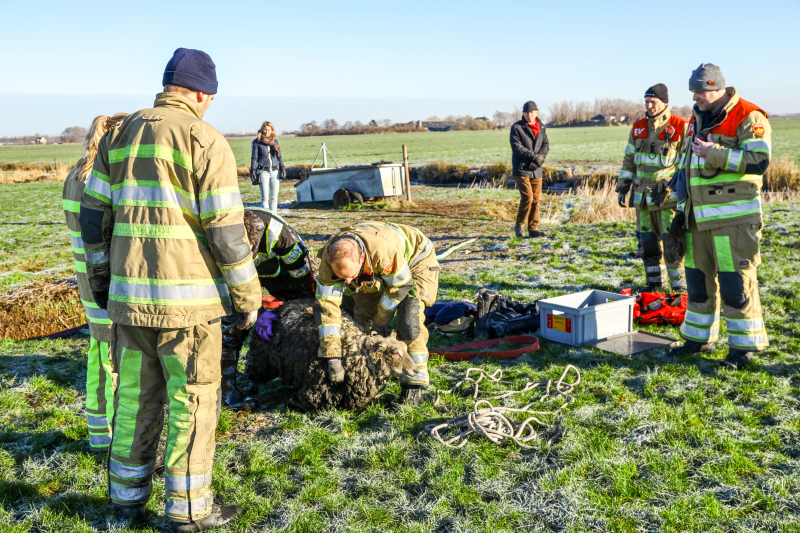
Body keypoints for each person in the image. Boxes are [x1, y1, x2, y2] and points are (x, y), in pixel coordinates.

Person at [80, 48, 262, 531]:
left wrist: (102, 284)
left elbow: (93, 218)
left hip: (128, 304)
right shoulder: (205, 139)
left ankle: (126, 499)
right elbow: (227, 233)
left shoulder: (118, 136)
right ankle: (186, 512)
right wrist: (248, 300)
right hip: (191, 312)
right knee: (193, 405)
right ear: (202, 94)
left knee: (134, 400)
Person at [667, 63, 771, 370]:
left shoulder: (749, 115)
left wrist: (715, 152)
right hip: (696, 219)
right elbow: (688, 166)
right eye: (693, 92)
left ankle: (744, 349)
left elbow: (759, 161)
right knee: (697, 282)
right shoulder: (694, 120)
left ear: (717, 89)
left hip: (733, 222)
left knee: (734, 283)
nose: (695, 97)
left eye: (699, 91)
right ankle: (699, 339)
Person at [314, 222, 439, 406]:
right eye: (342, 277)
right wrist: (332, 356)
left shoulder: (384, 252)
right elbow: (327, 309)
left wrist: (380, 323)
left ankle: (413, 384)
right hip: (377, 268)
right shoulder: (329, 259)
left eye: (350, 275)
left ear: (362, 257)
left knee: (410, 318)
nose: (347, 281)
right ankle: (367, 373)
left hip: (416, 259)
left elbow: (400, 287)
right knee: (360, 316)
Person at [62, 112, 127, 453]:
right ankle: (116, 440)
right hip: (104, 282)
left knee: (97, 357)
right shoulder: (101, 180)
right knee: (113, 365)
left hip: (86, 282)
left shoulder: (74, 175)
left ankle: (98, 434)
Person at [221, 207, 314, 410]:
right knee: (232, 326)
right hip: (234, 277)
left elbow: (303, 280)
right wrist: (258, 311)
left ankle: (300, 369)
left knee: (301, 316)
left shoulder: (281, 236)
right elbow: (227, 291)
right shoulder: (220, 234)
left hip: (278, 273)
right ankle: (227, 390)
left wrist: (301, 308)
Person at [616, 84, 688, 291]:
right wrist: (623, 187)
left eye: (653, 102)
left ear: (664, 103)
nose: (649, 106)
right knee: (648, 246)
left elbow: (686, 165)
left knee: (672, 246)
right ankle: (654, 288)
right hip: (642, 199)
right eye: (646, 102)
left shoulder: (680, 126)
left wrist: (674, 188)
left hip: (667, 199)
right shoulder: (638, 127)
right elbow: (629, 160)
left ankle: (680, 291)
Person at [510, 101, 550, 238]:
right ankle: (519, 226)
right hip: (521, 169)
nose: (529, 115)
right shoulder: (516, 127)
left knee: (536, 199)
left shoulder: (541, 127)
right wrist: (535, 158)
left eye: (532, 112)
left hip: (536, 169)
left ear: (537, 113)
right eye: (526, 113)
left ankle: (533, 229)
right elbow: (517, 148)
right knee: (528, 197)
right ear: (523, 113)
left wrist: (540, 159)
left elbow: (545, 145)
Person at [249, 121, 285, 212]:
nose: (266, 131)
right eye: (265, 129)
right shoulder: (256, 142)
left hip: (274, 172)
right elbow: (254, 157)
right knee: (265, 198)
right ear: (262, 130)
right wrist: (253, 170)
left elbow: (279, 155)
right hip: (263, 172)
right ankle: (267, 218)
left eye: (268, 130)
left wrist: (282, 167)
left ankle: (274, 217)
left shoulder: (275, 141)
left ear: (272, 131)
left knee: (274, 198)